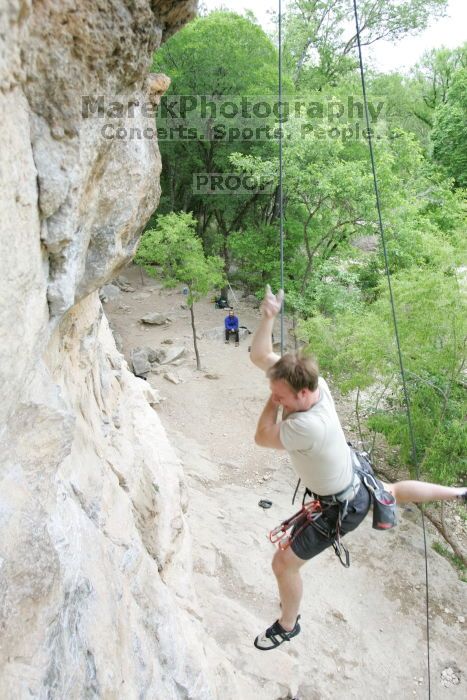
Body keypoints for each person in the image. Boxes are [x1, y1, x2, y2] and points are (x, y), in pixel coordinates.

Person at [249, 284, 466, 651]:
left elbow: (262, 437)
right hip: (354, 475)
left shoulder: (307, 425)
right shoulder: (316, 384)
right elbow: (260, 356)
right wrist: (268, 317)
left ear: (301, 394)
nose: (278, 398)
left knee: (284, 565)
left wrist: (272, 403)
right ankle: (461, 494)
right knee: (391, 491)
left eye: (282, 395)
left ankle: (288, 625)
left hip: (339, 506)